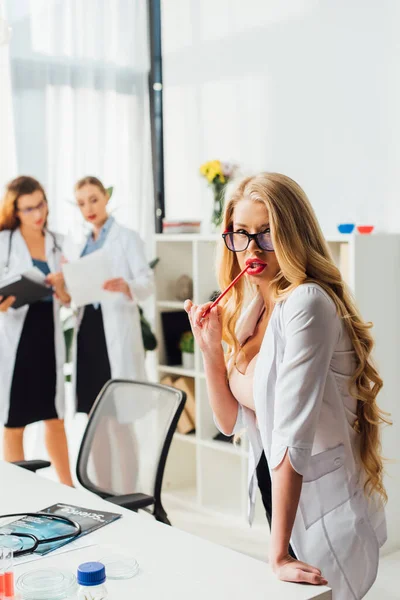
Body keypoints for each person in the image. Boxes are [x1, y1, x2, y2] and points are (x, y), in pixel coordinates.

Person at [184, 173, 389, 599]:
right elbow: (229, 421)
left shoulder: (307, 304)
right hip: (279, 498)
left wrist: (276, 555)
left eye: (267, 234)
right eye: (242, 234)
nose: (253, 250)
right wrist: (211, 352)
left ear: (293, 236)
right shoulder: (252, 307)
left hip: (320, 507)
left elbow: (292, 437)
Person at [61, 176, 154, 492]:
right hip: (88, 335)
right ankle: (103, 492)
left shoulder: (127, 238)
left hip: (115, 336)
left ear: (106, 198)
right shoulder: (81, 243)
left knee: (119, 422)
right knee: (95, 422)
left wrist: (128, 286)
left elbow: (147, 282)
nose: (89, 207)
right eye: (82, 202)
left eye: (94, 199)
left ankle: (127, 494)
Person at [0, 176, 73, 486]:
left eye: (40, 204)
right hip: (18, 338)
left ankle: (70, 488)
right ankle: (20, 491)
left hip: (47, 333)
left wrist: (62, 286)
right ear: (15, 210)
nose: (37, 213)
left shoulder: (59, 242)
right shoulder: (4, 242)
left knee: (54, 417)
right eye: (28, 208)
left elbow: (70, 299)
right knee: (14, 421)